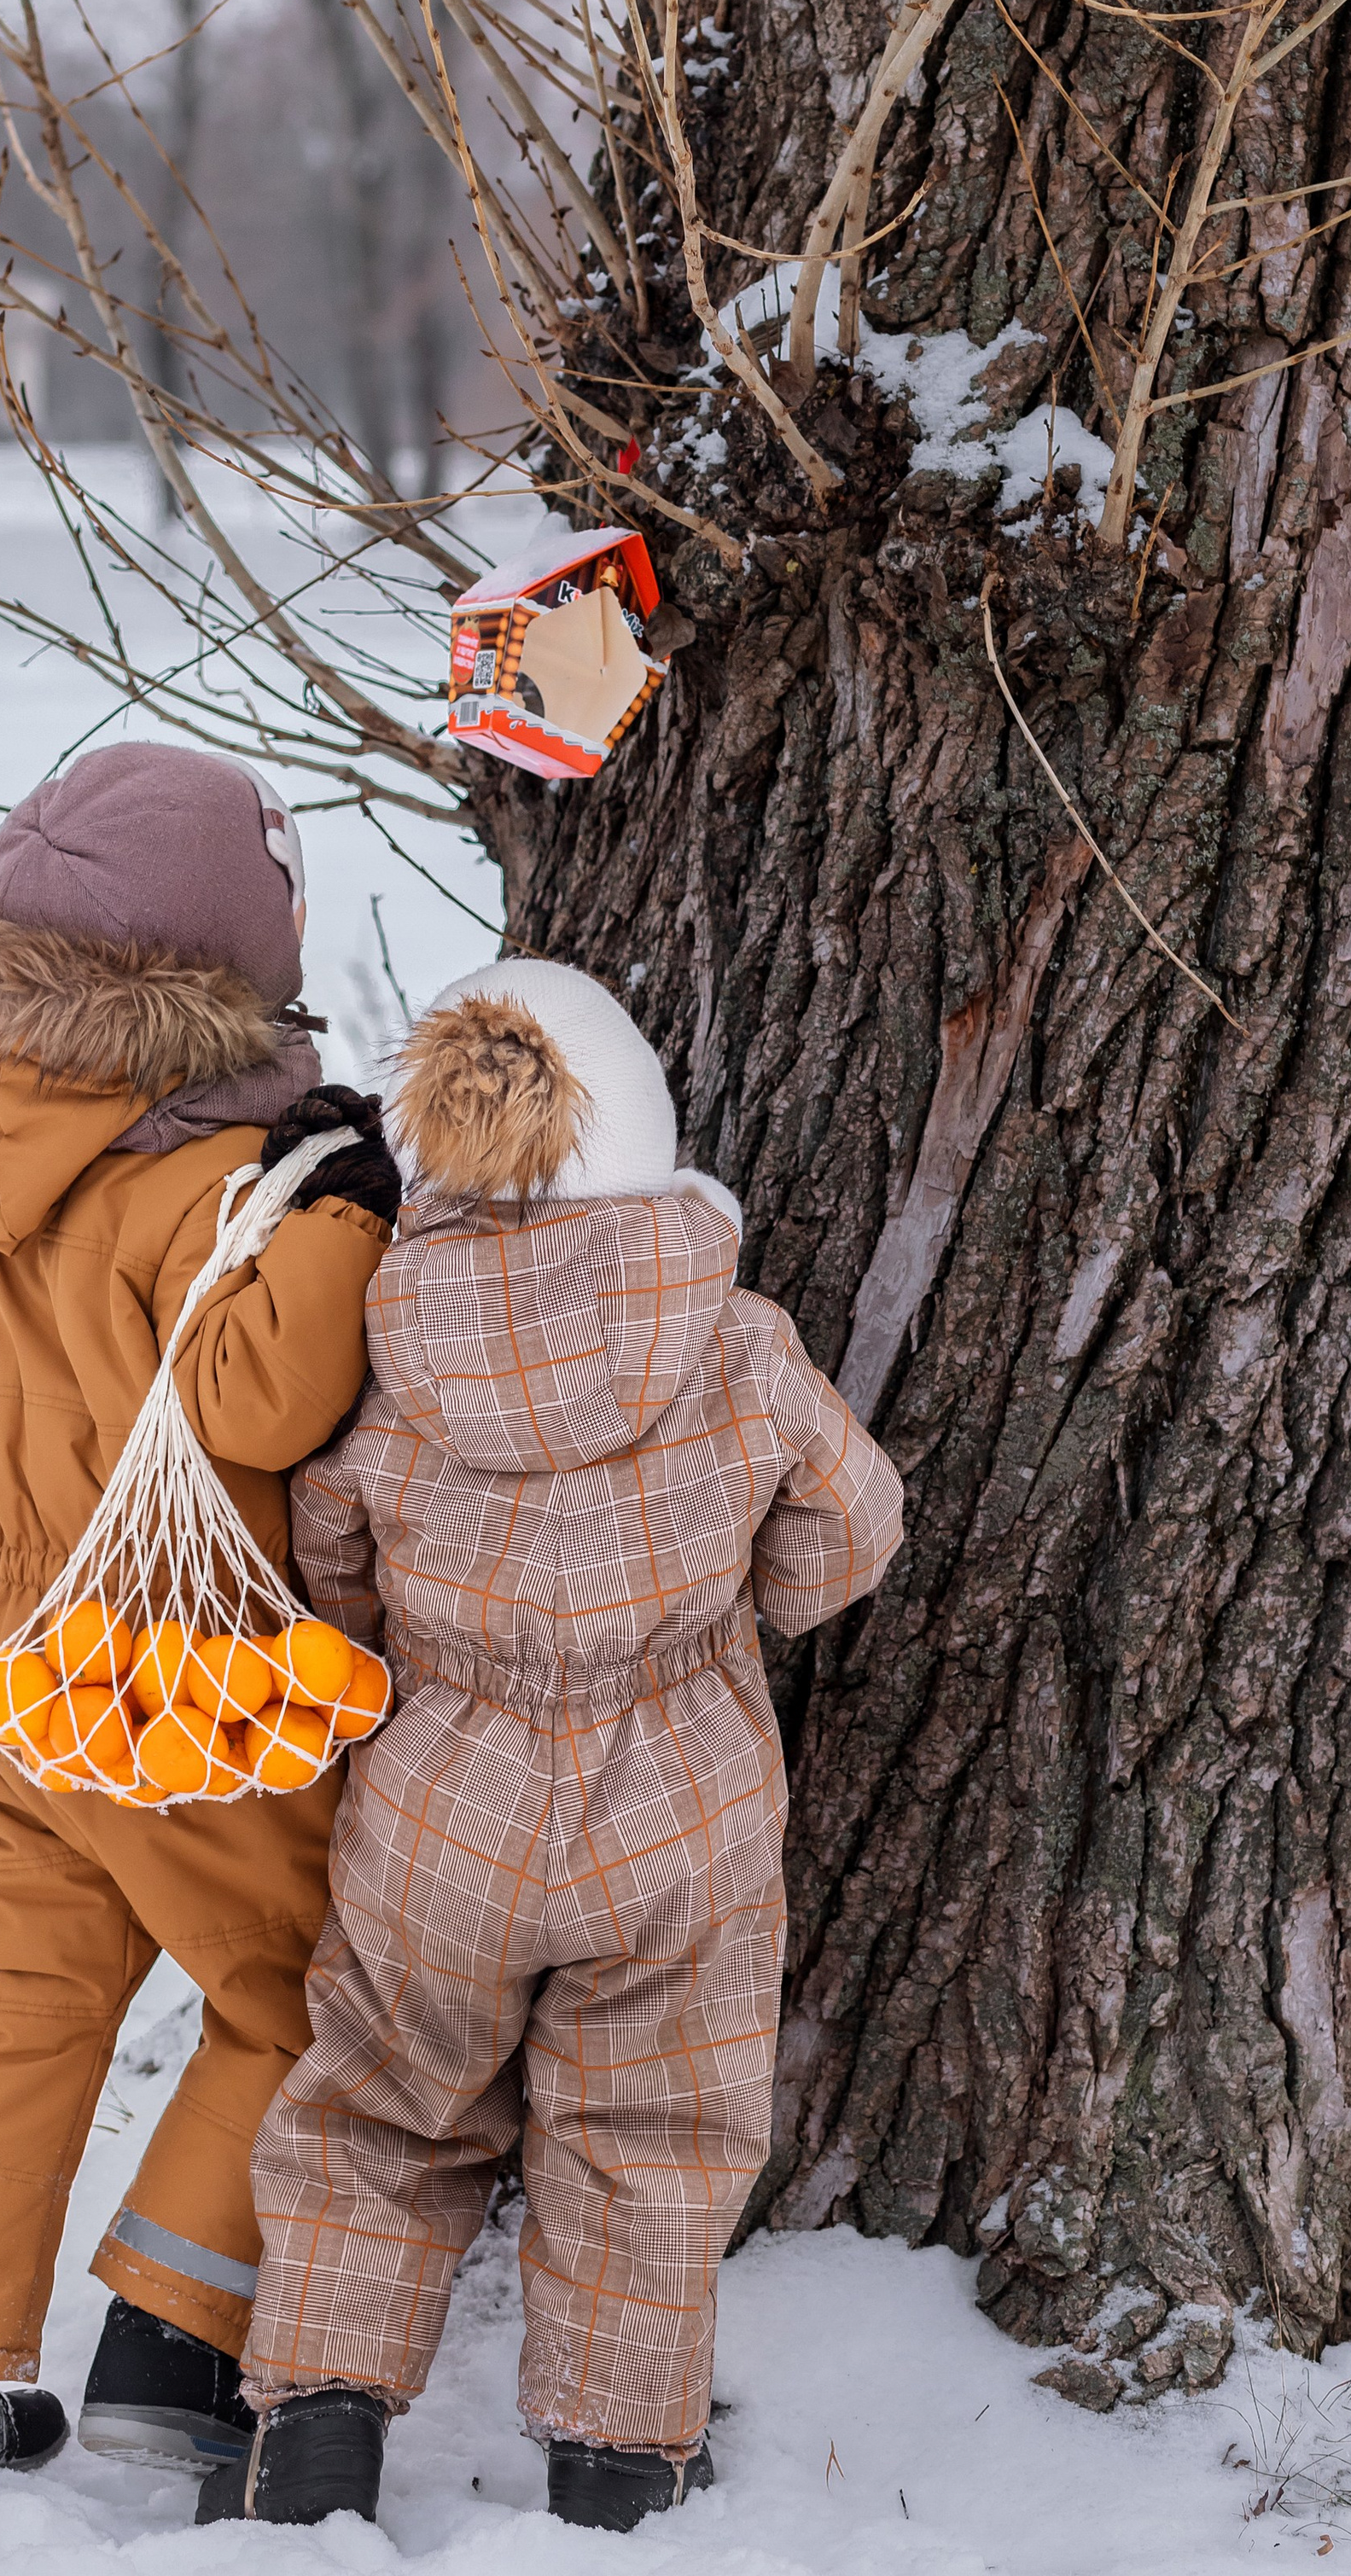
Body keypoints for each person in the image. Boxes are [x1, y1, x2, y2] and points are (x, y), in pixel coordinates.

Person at [208, 960, 903, 2537]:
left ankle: (312, 2431)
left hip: (446, 1799)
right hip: (680, 1793)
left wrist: (416, 1660)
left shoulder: (395, 1364)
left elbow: (334, 1563)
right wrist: (751, 1608)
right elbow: (848, 1529)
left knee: (381, 2104)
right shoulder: (733, 1345)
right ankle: (620, 2461)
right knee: (655, 2125)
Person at [0, 743, 402, 2497]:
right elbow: (253, 1406)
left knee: (3, 2005)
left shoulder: (1, 1134)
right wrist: (341, 1215)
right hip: (168, 1670)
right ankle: (179, 2336)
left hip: (5, 1656)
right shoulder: (209, 1183)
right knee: (303, 1996)